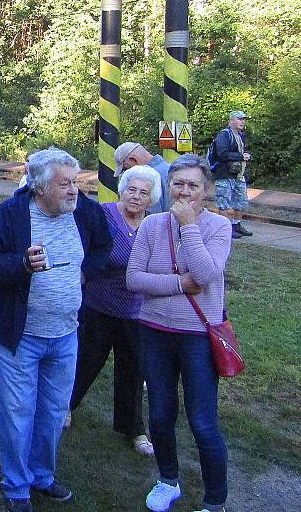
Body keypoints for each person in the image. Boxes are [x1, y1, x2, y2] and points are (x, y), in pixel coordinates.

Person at [0, 148, 112, 512]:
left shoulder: (83, 212)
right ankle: (17, 485)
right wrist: (22, 264)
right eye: (65, 184)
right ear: (39, 187)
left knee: (53, 413)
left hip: (66, 334)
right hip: (21, 336)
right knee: (18, 412)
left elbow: (104, 246)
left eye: (75, 183)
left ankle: (41, 475)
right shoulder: (11, 216)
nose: (73, 191)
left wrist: (87, 273)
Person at [127, 154, 232, 512]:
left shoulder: (218, 227)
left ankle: (215, 501)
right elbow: (134, 279)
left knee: (203, 421)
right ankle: (168, 479)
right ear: (168, 186)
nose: (185, 192)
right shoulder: (152, 225)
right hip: (154, 330)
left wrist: (188, 226)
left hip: (197, 336)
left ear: (206, 191)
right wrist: (177, 283)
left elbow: (205, 274)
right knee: (160, 414)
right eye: (178, 184)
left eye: (193, 185)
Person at [68, 165, 162, 457]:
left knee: (133, 372)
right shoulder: (105, 215)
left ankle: (133, 428)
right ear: (123, 190)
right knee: (85, 361)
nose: (136, 196)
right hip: (98, 306)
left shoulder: (154, 225)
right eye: (131, 189)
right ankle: (65, 407)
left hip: (136, 312)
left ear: (152, 199)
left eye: (143, 193)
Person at [212, 110, 253, 239]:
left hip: (238, 175)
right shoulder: (224, 135)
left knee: (241, 201)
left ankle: (236, 225)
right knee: (223, 202)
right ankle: (223, 228)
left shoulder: (241, 135)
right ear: (231, 120)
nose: (242, 121)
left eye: (243, 119)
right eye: (240, 119)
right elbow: (222, 154)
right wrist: (241, 156)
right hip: (224, 174)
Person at [113, 141, 171, 214]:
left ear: (134, 160)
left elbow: (152, 218)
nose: (127, 174)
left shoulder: (149, 179)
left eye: (126, 169)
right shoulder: (171, 169)